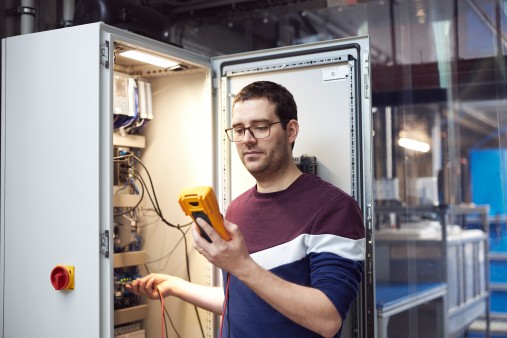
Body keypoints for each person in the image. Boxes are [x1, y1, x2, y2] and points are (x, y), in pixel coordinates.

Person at [127, 81, 365, 338]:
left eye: (260, 128)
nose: (247, 140)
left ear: (291, 130)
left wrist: (241, 265)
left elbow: (328, 319)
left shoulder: (334, 209)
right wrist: (176, 286)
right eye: (239, 130)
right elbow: (244, 297)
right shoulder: (237, 209)